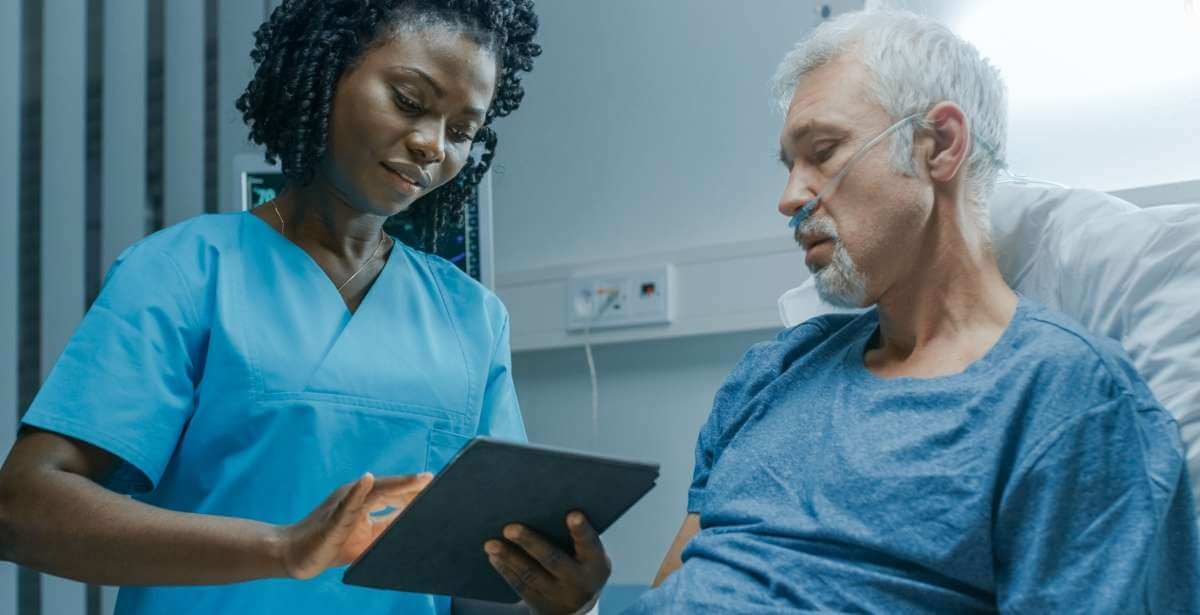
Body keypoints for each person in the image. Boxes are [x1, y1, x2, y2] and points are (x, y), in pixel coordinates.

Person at [0, 1, 607, 613]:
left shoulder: (473, 319)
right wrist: (285, 547)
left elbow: (477, 579)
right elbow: (24, 508)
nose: (432, 145)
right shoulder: (185, 271)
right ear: (322, 73)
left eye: (461, 132)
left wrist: (560, 600)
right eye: (408, 100)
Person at [624, 10, 1200, 613]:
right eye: (789, 165)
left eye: (823, 151)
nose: (789, 198)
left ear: (940, 145)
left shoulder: (1069, 396)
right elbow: (675, 590)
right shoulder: (775, 372)